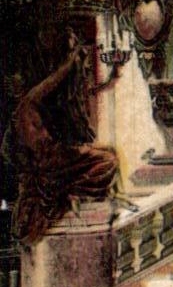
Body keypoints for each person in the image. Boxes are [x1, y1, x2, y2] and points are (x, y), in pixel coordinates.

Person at [11, 35, 118, 245]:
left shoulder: (34, 108)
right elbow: (52, 82)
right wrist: (70, 62)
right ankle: (73, 191)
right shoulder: (28, 105)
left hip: (55, 162)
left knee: (106, 157)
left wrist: (108, 81)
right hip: (52, 166)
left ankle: (73, 190)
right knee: (108, 161)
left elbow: (85, 92)